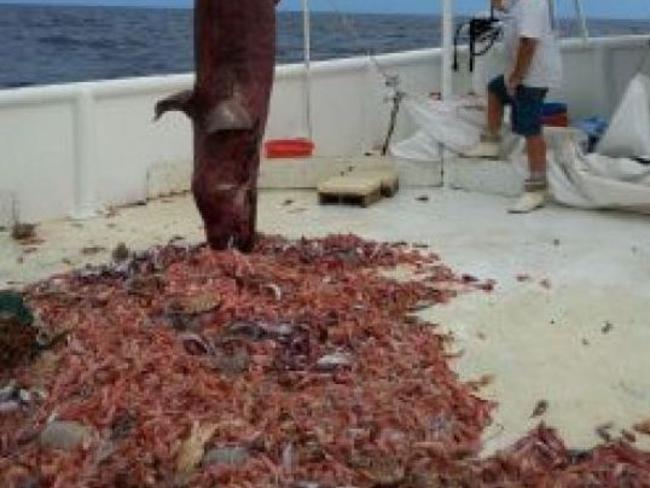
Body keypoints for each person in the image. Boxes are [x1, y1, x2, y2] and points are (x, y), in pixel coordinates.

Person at [464, 0, 563, 213]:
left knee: (530, 128)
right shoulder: (520, 2)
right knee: (495, 90)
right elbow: (503, 6)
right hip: (520, 73)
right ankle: (490, 143)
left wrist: (517, 76)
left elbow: (528, 43)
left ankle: (537, 189)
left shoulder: (533, 3)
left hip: (533, 77)